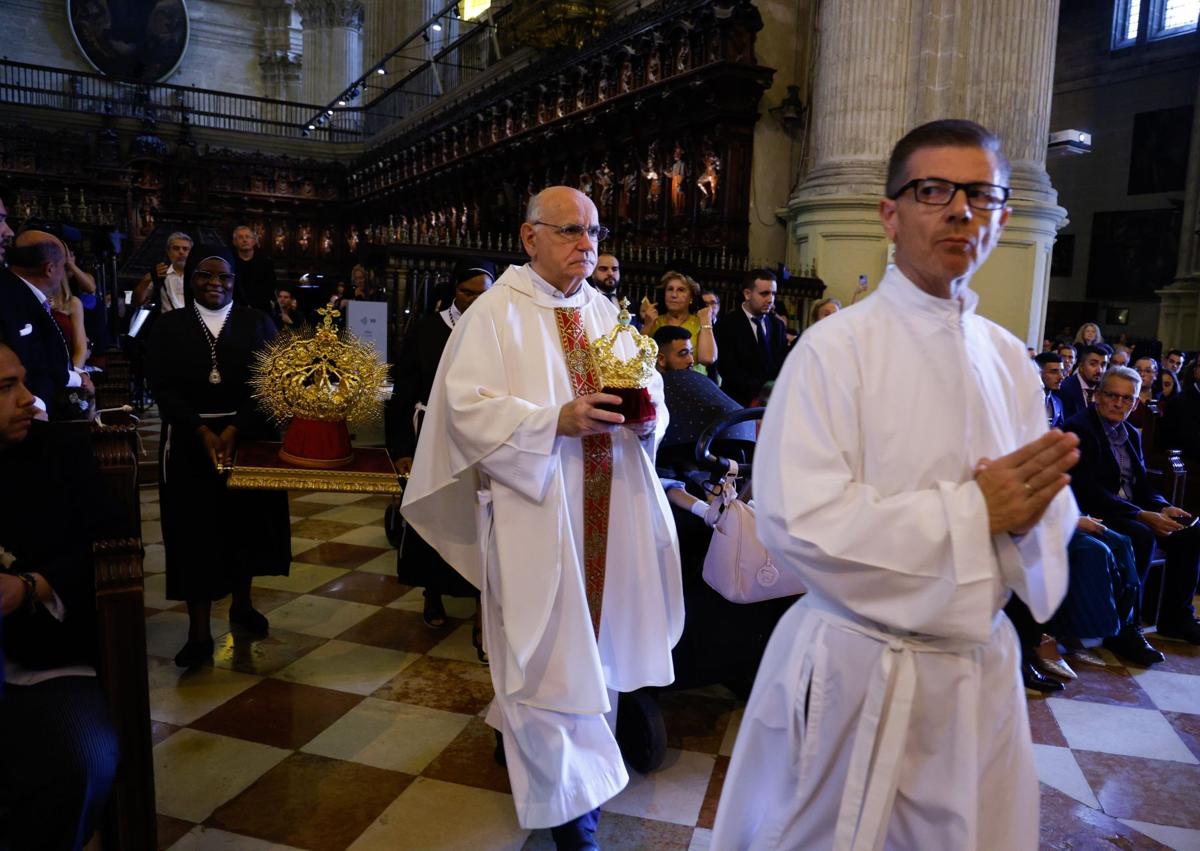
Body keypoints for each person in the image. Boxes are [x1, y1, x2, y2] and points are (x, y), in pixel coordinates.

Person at [711, 119, 1079, 851]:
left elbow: (1041, 504)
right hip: (862, 669)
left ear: (1003, 215)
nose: (960, 211)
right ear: (891, 212)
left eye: (981, 194)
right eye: (933, 190)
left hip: (976, 671)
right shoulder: (834, 350)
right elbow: (800, 521)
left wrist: (1031, 514)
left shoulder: (1009, 359)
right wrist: (971, 512)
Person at [402, 186, 683, 848]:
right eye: (571, 232)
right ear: (530, 239)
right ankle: (572, 823)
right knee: (543, 661)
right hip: (537, 515)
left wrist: (648, 416)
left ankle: (569, 782)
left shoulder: (604, 308)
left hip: (607, 514)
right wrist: (550, 421)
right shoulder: (496, 313)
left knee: (596, 654)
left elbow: (648, 384)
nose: (588, 244)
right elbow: (466, 410)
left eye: (594, 231)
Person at [0, 333, 120, 850]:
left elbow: (108, 546)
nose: (30, 398)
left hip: (44, 665)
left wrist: (31, 587)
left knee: (82, 762)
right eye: (8, 387)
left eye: (23, 381)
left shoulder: (60, 452)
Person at [147, 245, 291, 668]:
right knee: (194, 533)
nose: (216, 284)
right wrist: (201, 429)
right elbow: (161, 386)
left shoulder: (257, 322)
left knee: (245, 527)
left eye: (224, 277)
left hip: (247, 438)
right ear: (190, 278)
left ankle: (242, 606)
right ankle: (197, 631)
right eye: (205, 276)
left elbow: (271, 382)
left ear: (235, 281)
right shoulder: (169, 325)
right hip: (191, 442)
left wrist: (234, 428)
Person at [387, 257, 495, 655]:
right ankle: (432, 593)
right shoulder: (428, 328)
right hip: (430, 434)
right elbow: (404, 391)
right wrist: (401, 449)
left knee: (474, 519)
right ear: (454, 290)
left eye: (482, 293)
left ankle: (478, 601)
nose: (473, 300)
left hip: (478, 441)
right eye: (466, 293)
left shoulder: (496, 328)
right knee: (433, 510)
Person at [1065, 366, 1200, 645]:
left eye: (1127, 399)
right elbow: (1088, 490)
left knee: (1189, 532)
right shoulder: (1079, 429)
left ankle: (1176, 618)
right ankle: (1126, 629)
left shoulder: (1131, 433)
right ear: (1098, 396)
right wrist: (1142, 514)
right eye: (1112, 395)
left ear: (1136, 402)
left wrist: (1163, 507)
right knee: (1141, 534)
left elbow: (1142, 486)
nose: (1119, 403)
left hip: (1129, 509)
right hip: (1094, 512)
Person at [0, 231, 93, 419]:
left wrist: (77, 376)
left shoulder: (24, 292)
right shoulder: (10, 296)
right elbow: (31, 361)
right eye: (63, 266)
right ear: (49, 269)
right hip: (28, 411)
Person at [713, 269, 788, 406]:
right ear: (747, 294)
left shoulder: (778, 325)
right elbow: (728, 368)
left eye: (773, 293)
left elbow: (781, 363)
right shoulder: (726, 325)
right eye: (764, 293)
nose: (770, 299)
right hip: (737, 403)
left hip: (771, 403)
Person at [643, 271, 717, 375]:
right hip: (658, 382)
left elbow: (708, 359)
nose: (673, 295)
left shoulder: (699, 322)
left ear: (691, 297)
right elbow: (638, 358)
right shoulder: (654, 321)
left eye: (681, 290)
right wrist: (647, 326)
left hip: (694, 382)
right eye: (670, 289)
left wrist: (706, 324)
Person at [131, 231, 192, 315]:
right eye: (176, 248)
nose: (181, 252)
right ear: (168, 252)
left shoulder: (196, 276)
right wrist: (146, 280)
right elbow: (137, 302)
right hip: (167, 324)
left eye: (185, 249)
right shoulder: (160, 274)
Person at [231, 225, 277, 313]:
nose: (244, 240)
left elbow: (270, 286)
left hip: (260, 308)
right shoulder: (230, 262)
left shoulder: (265, 262)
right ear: (234, 242)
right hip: (235, 308)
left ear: (254, 241)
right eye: (240, 237)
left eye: (247, 237)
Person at [1058, 343, 1110, 419]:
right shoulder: (1064, 389)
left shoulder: (1106, 391)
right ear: (1081, 366)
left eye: (1103, 365)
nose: (1100, 370)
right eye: (1093, 364)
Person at [49, 274, 90, 370]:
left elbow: (80, 348)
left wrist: (73, 375)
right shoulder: (30, 301)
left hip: (67, 367)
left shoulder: (72, 303)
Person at [1035, 351, 1066, 429]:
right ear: (1038, 373)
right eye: (1054, 372)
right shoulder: (1025, 401)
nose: (1061, 377)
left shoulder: (1058, 402)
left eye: (1062, 371)